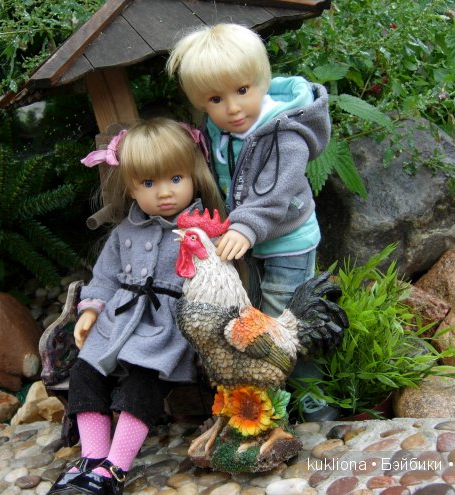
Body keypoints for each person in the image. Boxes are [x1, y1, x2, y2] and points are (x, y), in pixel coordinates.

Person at [167, 23, 336, 421]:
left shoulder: (285, 133)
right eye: (216, 99)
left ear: (262, 81)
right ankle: (265, 394)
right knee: (254, 318)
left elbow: (276, 191)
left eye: (242, 90)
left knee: (283, 323)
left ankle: (311, 394)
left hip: (287, 240)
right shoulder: (221, 129)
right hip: (249, 241)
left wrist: (244, 226)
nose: (233, 108)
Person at [47, 118, 224, 495]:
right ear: (131, 187)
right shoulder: (123, 233)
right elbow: (105, 277)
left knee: (142, 384)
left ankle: (115, 468)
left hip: (164, 326)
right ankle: (92, 459)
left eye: (175, 179)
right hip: (118, 319)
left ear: (193, 176)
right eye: (148, 183)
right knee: (84, 372)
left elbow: (213, 284)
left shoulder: (198, 230)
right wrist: (90, 311)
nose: (164, 192)